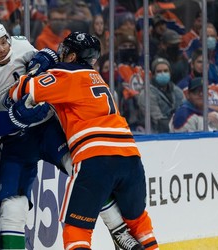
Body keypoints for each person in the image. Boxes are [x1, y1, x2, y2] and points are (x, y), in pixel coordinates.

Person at [0, 19, 143, 250]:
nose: (2, 48)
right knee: (12, 207)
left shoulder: (21, 45)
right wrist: (15, 118)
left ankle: (119, 231)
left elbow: (55, 61)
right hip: (16, 139)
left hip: (48, 127)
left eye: (3, 41)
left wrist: (45, 57)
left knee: (84, 171)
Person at [10, 32, 159, 250]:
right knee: (138, 223)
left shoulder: (65, 74)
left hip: (96, 158)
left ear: (71, 56)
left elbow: (20, 92)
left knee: (77, 230)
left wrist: (33, 72)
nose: (61, 54)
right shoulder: (97, 78)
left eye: (65, 51)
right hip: (130, 158)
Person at [138, 57, 184, 133]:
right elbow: (158, 120)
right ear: (153, 74)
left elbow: (183, 111)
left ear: (170, 72)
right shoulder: (146, 94)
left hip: (176, 130)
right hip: (153, 134)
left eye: (166, 71)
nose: (163, 74)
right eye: (159, 72)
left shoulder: (177, 91)